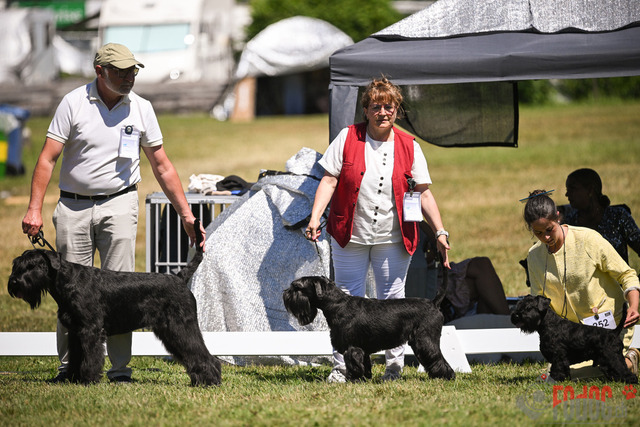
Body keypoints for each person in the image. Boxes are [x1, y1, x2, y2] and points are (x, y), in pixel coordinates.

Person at [21, 43, 205, 383]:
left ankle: (120, 371)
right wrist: (34, 209)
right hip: (73, 205)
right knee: (69, 295)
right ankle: (70, 370)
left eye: (132, 71)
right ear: (99, 71)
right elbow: (47, 158)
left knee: (123, 292)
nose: (128, 77)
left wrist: (185, 214)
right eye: (120, 71)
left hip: (119, 204)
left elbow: (162, 165)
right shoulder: (73, 103)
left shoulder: (141, 108)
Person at [305, 77, 450, 383]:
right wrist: (315, 216)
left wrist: (439, 231)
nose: (383, 112)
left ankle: (393, 368)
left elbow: (423, 193)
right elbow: (329, 180)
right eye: (376, 107)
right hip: (349, 234)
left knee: (393, 301)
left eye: (389, 106)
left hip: (393, 237)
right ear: (366, 110)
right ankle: (343, 368)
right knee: (343, 303)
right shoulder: (347, 137)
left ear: (397, 110)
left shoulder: (410, 145)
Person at [522, 189, 640, 377]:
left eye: (549, 229)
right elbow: (539, 301)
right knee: (562, 374)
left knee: (604, 370)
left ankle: (629, 359)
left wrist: (633, 305)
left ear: (558, 217)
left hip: (608, 329)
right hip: (572, 338)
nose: (546, 237)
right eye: (538, 232)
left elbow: (627, 274)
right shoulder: (534, 256)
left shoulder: (588, 239)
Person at [563, 168, 640, 263]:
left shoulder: (618, 216)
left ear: (590, 190)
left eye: (572, 189)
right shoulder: (569, 223)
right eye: (567, 189)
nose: (567, 194)